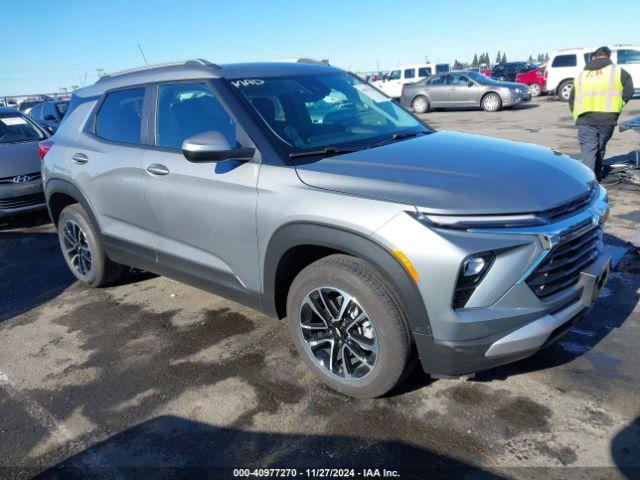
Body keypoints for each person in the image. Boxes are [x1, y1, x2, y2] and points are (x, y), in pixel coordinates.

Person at [569, 46, 634, 180]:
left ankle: (589, 182)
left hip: (584, 118)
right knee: (599, 148)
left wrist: (576, 115)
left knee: (589, 150)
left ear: (593, 57)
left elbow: (572, 98)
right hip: (607, 118)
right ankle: (596, 175)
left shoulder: (582, 75)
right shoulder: (618, 72)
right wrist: (619, 105)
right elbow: (629, 90)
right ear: (609, 56)